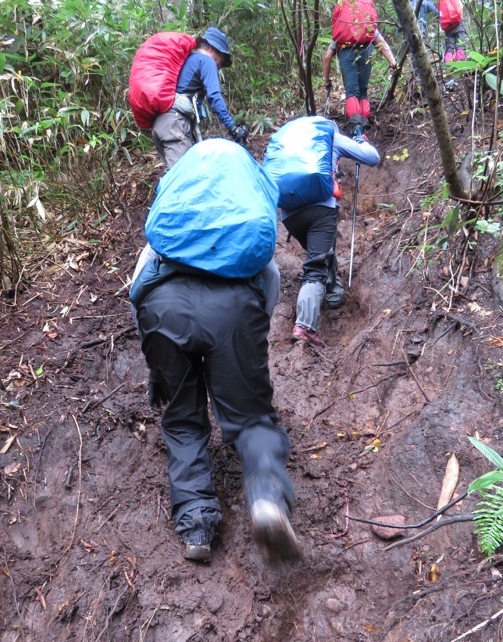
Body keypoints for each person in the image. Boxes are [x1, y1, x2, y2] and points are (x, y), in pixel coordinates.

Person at [132, 139, 301, 564]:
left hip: (161, 308)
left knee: (184, 418)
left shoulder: (175, 199)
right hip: (234, 310)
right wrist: (248, 339)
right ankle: (265, 500)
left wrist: (158, 367)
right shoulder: (249, 202)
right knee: (250, 417)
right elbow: (270, 281)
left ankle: (196, 524)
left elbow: (139, 283)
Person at [272, 120, 380, 347]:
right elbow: (372, 157)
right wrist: (361, 141)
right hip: (322, 209)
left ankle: (333, 293)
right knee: (315, 268)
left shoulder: (288, 141)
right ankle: (305, 326)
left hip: (289, 216)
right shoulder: (331, 136)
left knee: (320, 252)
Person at [152, 26, 249, 169]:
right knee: (183, 183)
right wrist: (232, 128)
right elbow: (214, 97)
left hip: (161, 124)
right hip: (175, 125)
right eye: (220, 59)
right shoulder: (206, 61)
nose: (219, 65)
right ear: (211, 48)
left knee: (176, 179)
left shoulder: (189, 59)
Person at [322, 26, 397, 136]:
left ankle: (357, 129)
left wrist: (327, 81)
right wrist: (394, 64)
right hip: (365, 52)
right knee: (363, 92)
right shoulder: (367, 23)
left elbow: (327, 56)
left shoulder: (341, 27)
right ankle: (365, 128)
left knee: (352, 92)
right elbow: (382, 43)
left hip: (346, 53)